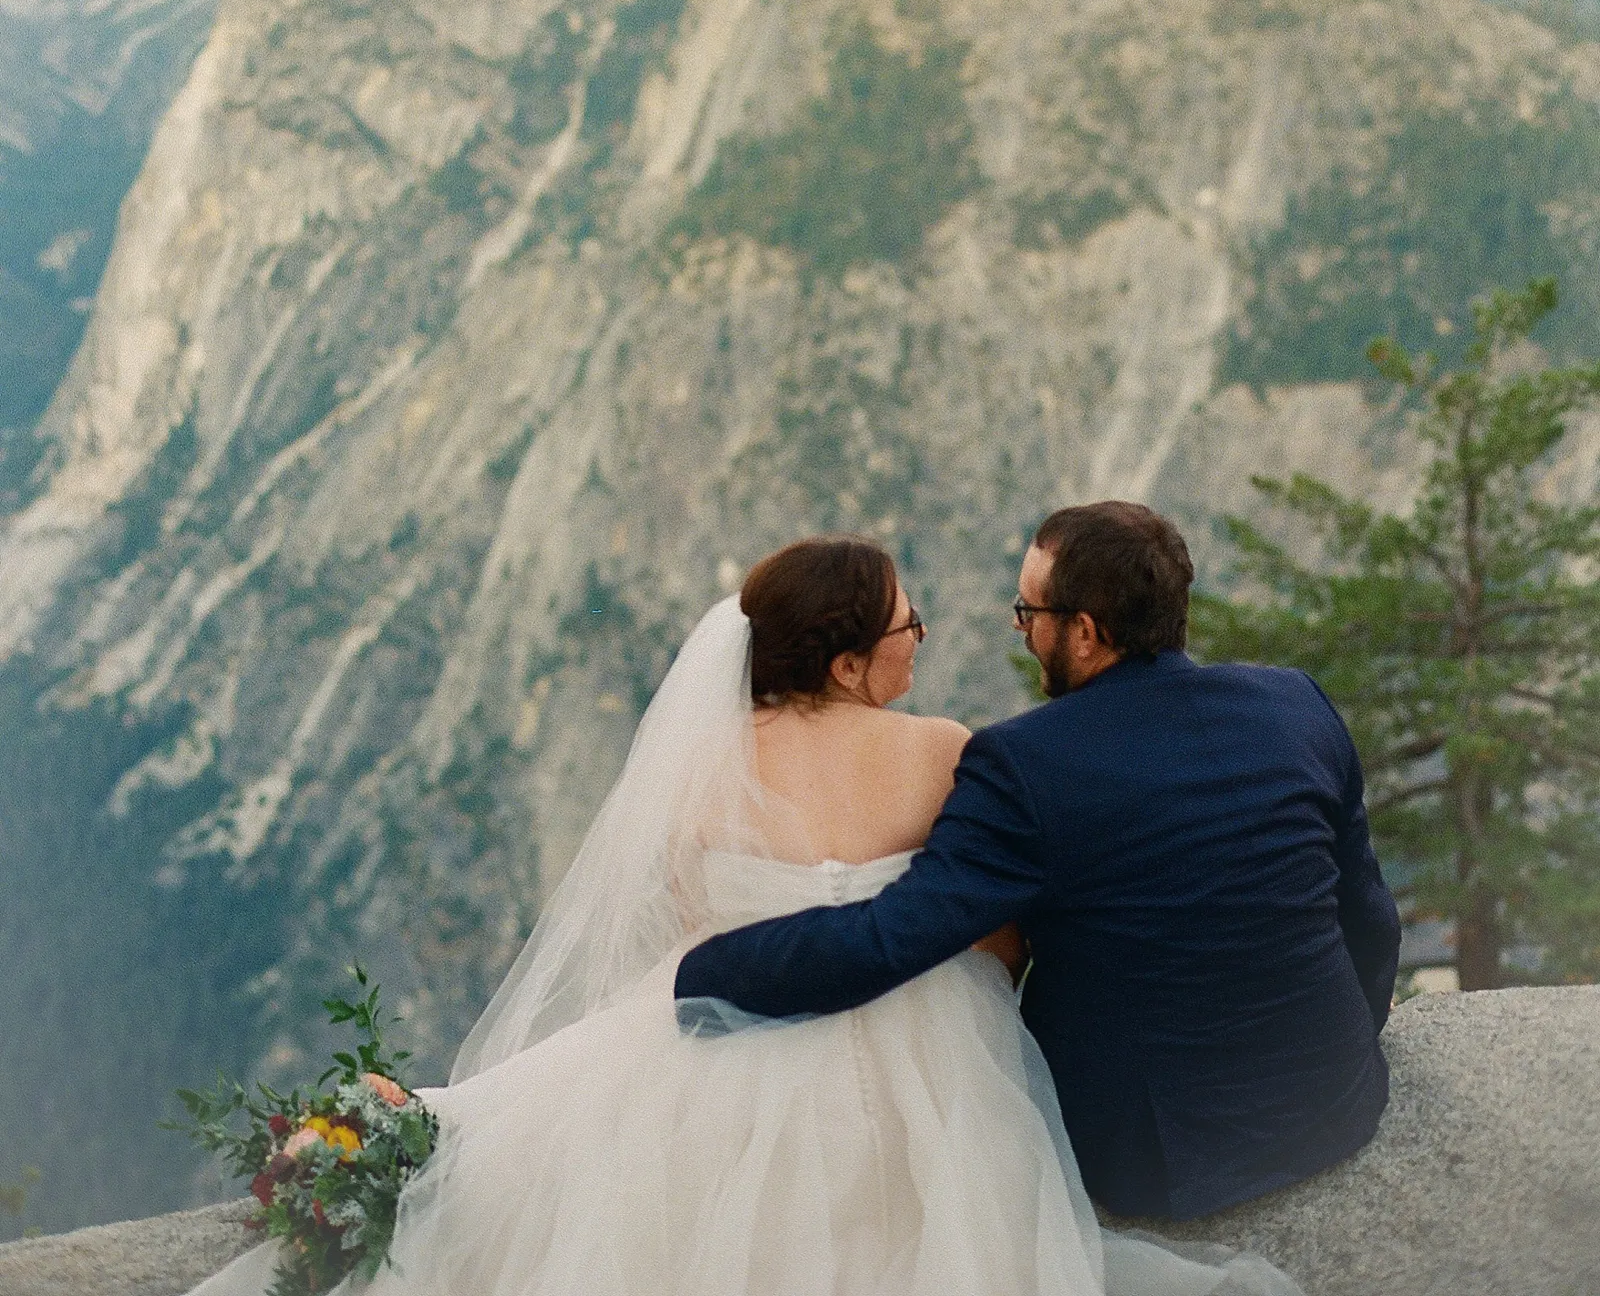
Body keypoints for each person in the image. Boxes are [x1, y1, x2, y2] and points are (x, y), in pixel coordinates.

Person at [187, 532, 1300, 1295]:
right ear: (855, 661)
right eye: (911, 623)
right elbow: (1000, 937)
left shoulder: (700, 776)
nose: (927, 636)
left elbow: (685, 925)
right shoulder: (944, 752)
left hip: (724, 1023)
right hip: (928, 1052)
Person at [677, 504, 1402, 1224]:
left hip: (1163, 1161)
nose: (1022, 631)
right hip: (1338, 1101)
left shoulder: (1024, 763)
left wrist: (705, 976)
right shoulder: (1295, 703)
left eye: (1030, 613)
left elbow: (888, 939)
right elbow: (1370, 918)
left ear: (1084, 633)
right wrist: (1340, 1052)